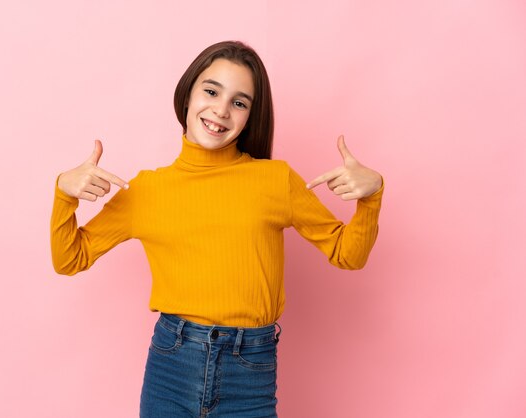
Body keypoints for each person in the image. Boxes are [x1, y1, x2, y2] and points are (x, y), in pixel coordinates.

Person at [50, 40, 383, 418]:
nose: (221, 110)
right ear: (188, 95)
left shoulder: (275, 181)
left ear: (250, 116)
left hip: (250, 370)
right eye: (211, 91)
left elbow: (348, 255)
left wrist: (370, 197)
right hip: (171, 365)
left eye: (240, 102)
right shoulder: (146, 191)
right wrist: (64, 193)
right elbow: (69, 259)